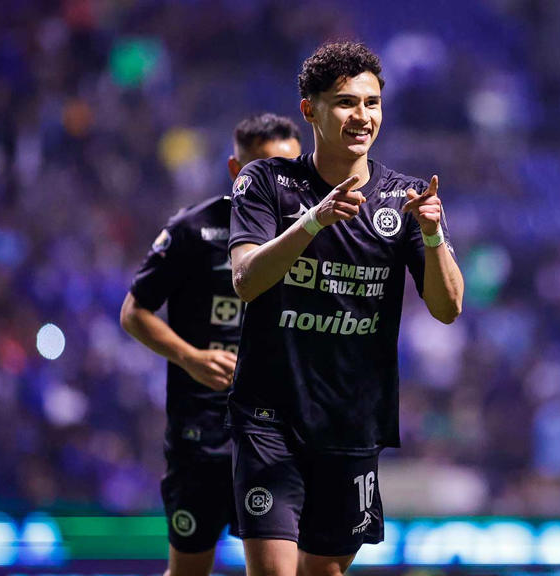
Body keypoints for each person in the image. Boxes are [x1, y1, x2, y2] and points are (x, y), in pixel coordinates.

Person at [227, 42, 464, 576]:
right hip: (269, 418)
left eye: (372, 103)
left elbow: (448, 307)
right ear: (309, 110)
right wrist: (314, 221)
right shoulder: (265, 182)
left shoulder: (406, 197)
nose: (362, 116)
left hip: (352, 424)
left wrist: (431, 235)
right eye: (346, 103)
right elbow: (246, 280)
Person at [120, 113, 301, 576]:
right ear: (236, 170)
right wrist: (191, 357)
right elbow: (134, 312)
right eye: (265, 169)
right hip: (201, 435)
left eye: (290, 169)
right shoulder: (192, 230)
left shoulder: (314, 235)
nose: (280, 182)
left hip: (278, 436)